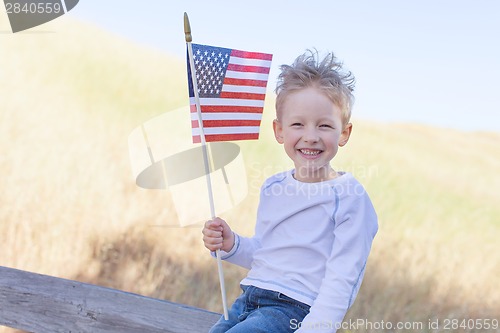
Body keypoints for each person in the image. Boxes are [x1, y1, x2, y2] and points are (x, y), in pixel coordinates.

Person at [202, 49, 378, 333]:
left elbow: (342, 279)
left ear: (343, 133)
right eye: (298, 124)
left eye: (324, 125)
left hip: (293, 310)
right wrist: (231, 244)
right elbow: (268, 254)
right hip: (247, 300)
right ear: (279, 130)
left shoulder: (349, 198)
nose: (310, 136)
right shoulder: (273, 187)